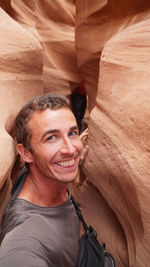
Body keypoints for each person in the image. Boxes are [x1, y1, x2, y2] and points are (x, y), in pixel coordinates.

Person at [0, 93, 88, 267]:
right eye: (51, 138)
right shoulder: (24, 239)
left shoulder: (37, 174)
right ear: (26, 153)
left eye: (72, 133)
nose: (70, 149)